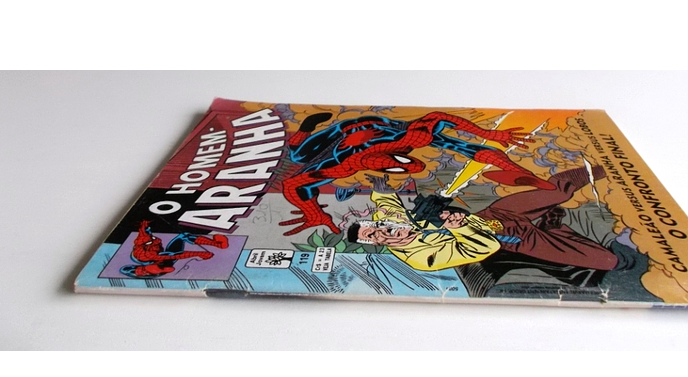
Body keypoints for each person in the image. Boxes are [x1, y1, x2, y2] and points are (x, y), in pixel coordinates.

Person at [280, 110, 555, 236]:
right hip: (341, 137)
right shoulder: (339, 166)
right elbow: (292, 184)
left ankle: (521, 171)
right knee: (297, 155)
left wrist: (489, 134)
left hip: (373, 130)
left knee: (453, 143)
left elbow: (440, 117)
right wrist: (315, 214)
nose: (415, 167)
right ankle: (307, 126)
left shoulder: (413, 138)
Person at [347, 166, 619, 273]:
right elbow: (485, 248)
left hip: (496, 215)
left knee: (557, 191)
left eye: (376, 227)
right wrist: (459, 227)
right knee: (607, 261)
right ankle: (554, 227)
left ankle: (603, 167)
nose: (383, 231)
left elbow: (386, 205)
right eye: (374, 237)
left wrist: (381, 190)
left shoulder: (390, 220)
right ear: (376, 245)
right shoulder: (420, 258)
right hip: (514, 239)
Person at [120, 221, 229, 279]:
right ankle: (154, 270)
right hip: (159, 261)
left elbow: (144, 229)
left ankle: (218, 244)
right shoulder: (145, 253)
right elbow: (174, 255)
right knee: (125, 269)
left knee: (184, 236)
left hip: (162, 256)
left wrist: (145, 225)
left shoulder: (148, 239)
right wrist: (199, 254)